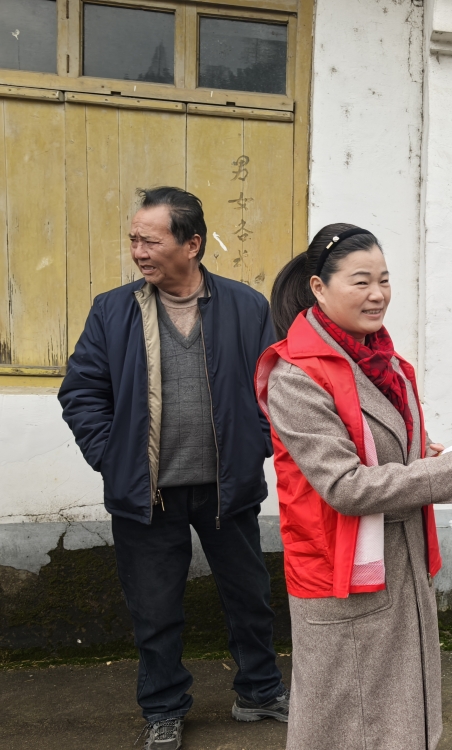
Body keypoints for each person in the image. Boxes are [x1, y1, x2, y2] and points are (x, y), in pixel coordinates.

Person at [256, 223, 452, 750]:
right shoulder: (296, 376)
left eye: (385, 280)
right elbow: (345, 485)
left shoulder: (386, 363)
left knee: (394, 717)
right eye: (361, 281)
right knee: (347, 724)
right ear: (319, 288)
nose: (378, 294)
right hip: (342, 573)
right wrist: (449, 469)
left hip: (401, 562)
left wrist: (428, 454)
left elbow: (388, 446)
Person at [59, 187, 288, 750]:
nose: (138, 251)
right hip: (146, 495)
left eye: (150, 240)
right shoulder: (113, 310)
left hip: (227, 489)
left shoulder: (246, 306)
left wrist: (254, 446)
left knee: (250, 598)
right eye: (134, 239)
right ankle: (163, 708)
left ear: (192, 244)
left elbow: (276, 389)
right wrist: (112, 457)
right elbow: (81, 392)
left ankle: (259, 692)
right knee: (155, 610)